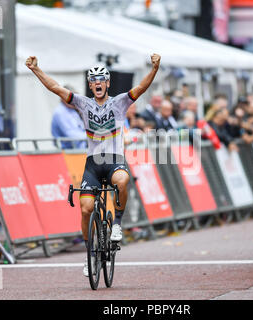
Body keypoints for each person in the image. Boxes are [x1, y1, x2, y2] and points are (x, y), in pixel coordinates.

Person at [26, 53, 161, 277]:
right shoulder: (82, 103)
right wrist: (36, 69)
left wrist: (155, 69)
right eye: (94, 80)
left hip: (115, 160)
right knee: (86, 208)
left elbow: (141, 87)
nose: (98, 83)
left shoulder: (120, 102)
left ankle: (117, 223)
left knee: (121, 181)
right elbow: (56, 88)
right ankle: (90, 254)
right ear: (90, 85)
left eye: (101, 80)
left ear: (107, 83)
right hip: (93, 165)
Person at [51, 85, 87, 149]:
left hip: (77, 150)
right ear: (62, 97)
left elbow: (81, 129)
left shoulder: (72, 110)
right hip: (67, 152)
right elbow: (72, 135)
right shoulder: (60, 112)